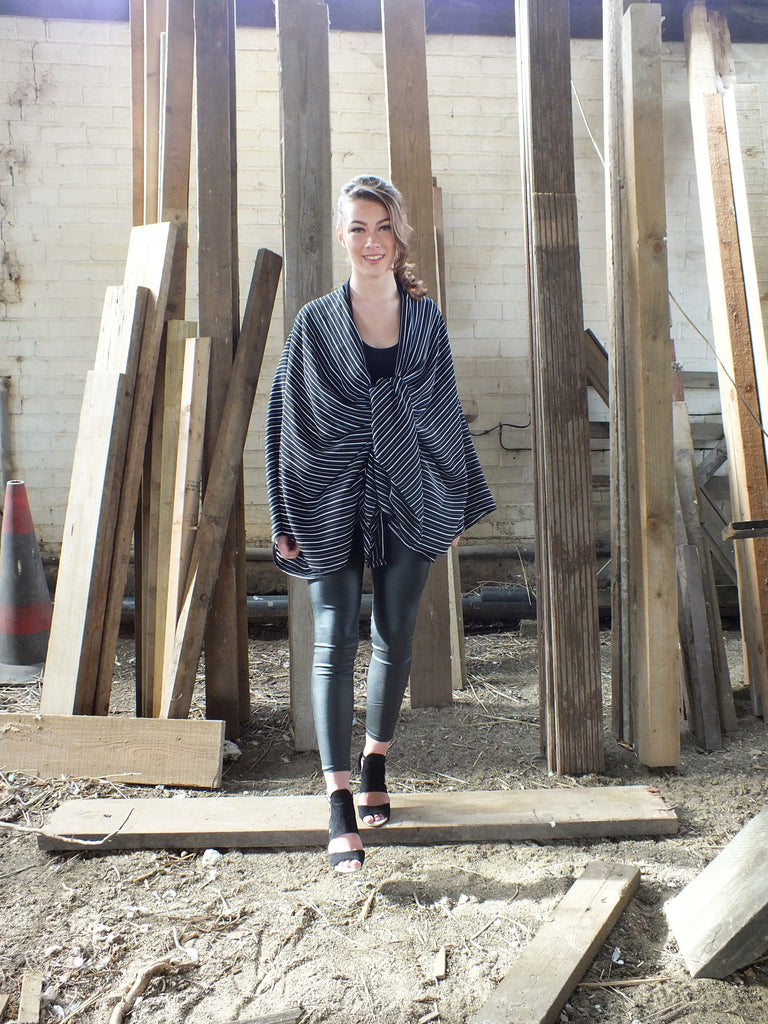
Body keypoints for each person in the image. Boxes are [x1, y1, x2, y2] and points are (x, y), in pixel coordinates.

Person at [265, 174, 495, 872]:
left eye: (383, 227)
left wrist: (454, 497)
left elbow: (443, 409)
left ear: (399, 236)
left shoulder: (425, 319)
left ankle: (375, 763)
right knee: (334, 639)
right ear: (343, 236)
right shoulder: (314, 322)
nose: (372, 241)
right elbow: (288, 419)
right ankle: (338, 800)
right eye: (359, 228)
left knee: (395, 635)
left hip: (412, 492)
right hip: (328, 494)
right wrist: (285, 510)